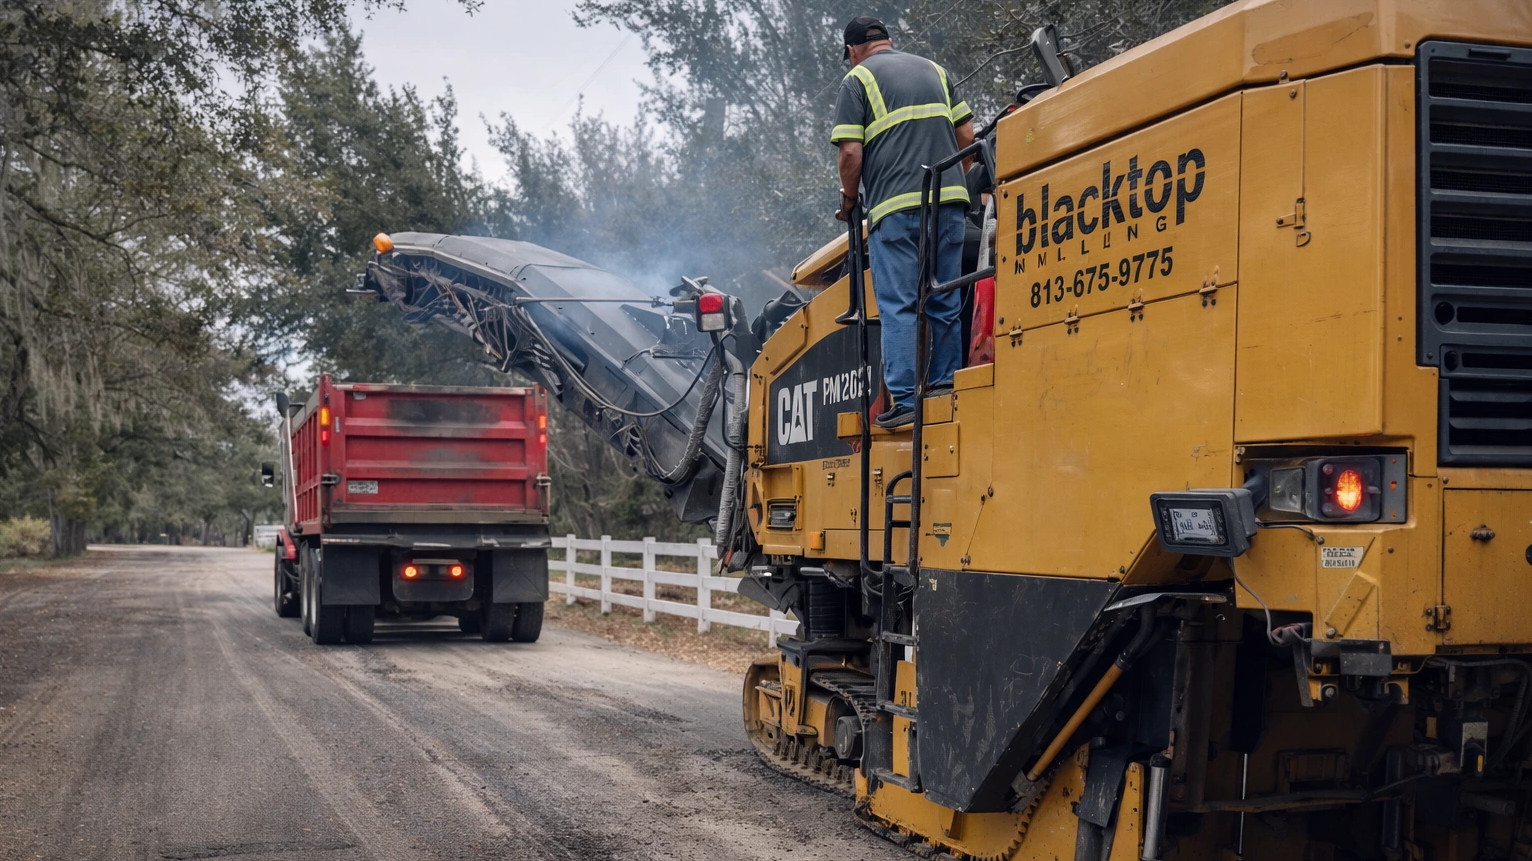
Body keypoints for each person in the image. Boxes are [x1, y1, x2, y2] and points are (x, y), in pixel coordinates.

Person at [832, 16, 974, 429]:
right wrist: (955, 178)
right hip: (946, 204)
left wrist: (849, 198)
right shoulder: (935, 70)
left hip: (895, 210)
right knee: (944, 296)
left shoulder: (857, 80)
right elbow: (967, 136)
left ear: (854, 50)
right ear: (889, 41)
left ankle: (908, 400)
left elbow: (850, 154)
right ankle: (946, 385)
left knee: (899, 305)